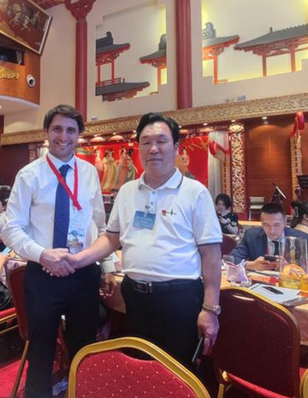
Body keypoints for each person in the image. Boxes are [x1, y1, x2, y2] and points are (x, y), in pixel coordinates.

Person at [69, 112, 222, 364]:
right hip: (134, 295)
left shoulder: (195, 192)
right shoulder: (127, 191)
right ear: (138, 147)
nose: (153, 149)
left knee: (178, 372)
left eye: (161, 141)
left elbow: (211, 254)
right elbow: (111, 239)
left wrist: (210, 309)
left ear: (176, 147)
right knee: (140, 367)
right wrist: (78, 259)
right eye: (146, 142)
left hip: (180, 297)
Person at [2, 104, 115, 398]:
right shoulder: (29, 175)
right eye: (57, 129)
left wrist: (106, 266)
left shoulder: (89, 173)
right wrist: (43, 254)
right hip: (43, 274)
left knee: (83, 351)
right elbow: (11, 228)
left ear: (79, 135)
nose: (63, 136)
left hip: (83, 273)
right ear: (46, 132)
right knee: (41, 353)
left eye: (70, 130)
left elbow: (99, 225)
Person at [230, 203, 308, 271]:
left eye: (276, 225)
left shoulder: (302, 238)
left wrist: (292, 268)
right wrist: (250, 265)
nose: (272, 231)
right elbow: (231, 258)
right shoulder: (251, 236)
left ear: (285, 222)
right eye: (266, 225)